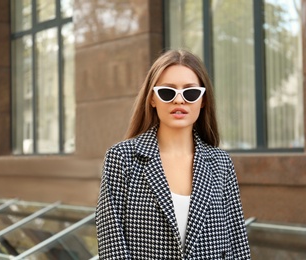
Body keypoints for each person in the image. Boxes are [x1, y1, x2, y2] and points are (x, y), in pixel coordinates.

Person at [96, 49, 251, 259]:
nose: (179, 100)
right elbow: (112, 247)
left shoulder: (221, 163)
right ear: (152, 98)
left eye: (191, 92)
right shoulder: (122, 159)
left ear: (203, 100)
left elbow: (237, 243)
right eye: (168, 92)